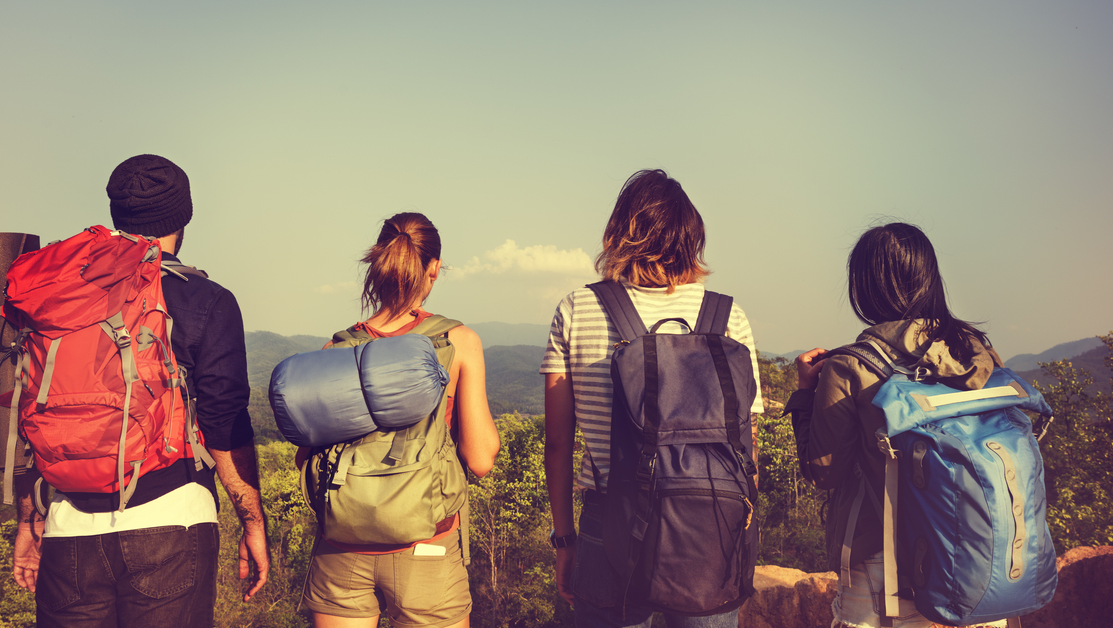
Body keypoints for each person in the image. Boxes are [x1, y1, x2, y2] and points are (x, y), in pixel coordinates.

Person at [11, 154, 270, 627]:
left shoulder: (59, 295)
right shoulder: (205, 299)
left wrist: (29, 517)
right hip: (171, 521)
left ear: (117, 216)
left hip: (68, 523)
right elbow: (224, 422)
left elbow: (29, 408)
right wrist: (253, 521)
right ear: (184, 215)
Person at [540, 169, 764, 628]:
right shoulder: (729, 316)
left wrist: (565, 542)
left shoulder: (577, 310)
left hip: (610, 525)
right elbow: (748, 449)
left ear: (620, 232)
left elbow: (558, 445)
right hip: (710, 525)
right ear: (691, 236)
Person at [784, 222, 1005, 628]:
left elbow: (824, 471)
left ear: (864, 287)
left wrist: (804, 393)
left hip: (884, 568)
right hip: (979, 555)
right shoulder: (976, 354)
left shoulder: (851, 365)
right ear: (929, 277)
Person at [296, 212, 500, 628]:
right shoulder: (457, 341)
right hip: (427, 546)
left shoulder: (335, 348)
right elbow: (480, 459)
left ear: (378, 263)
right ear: (434, 269)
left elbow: (306, 458)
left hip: (341, 552)